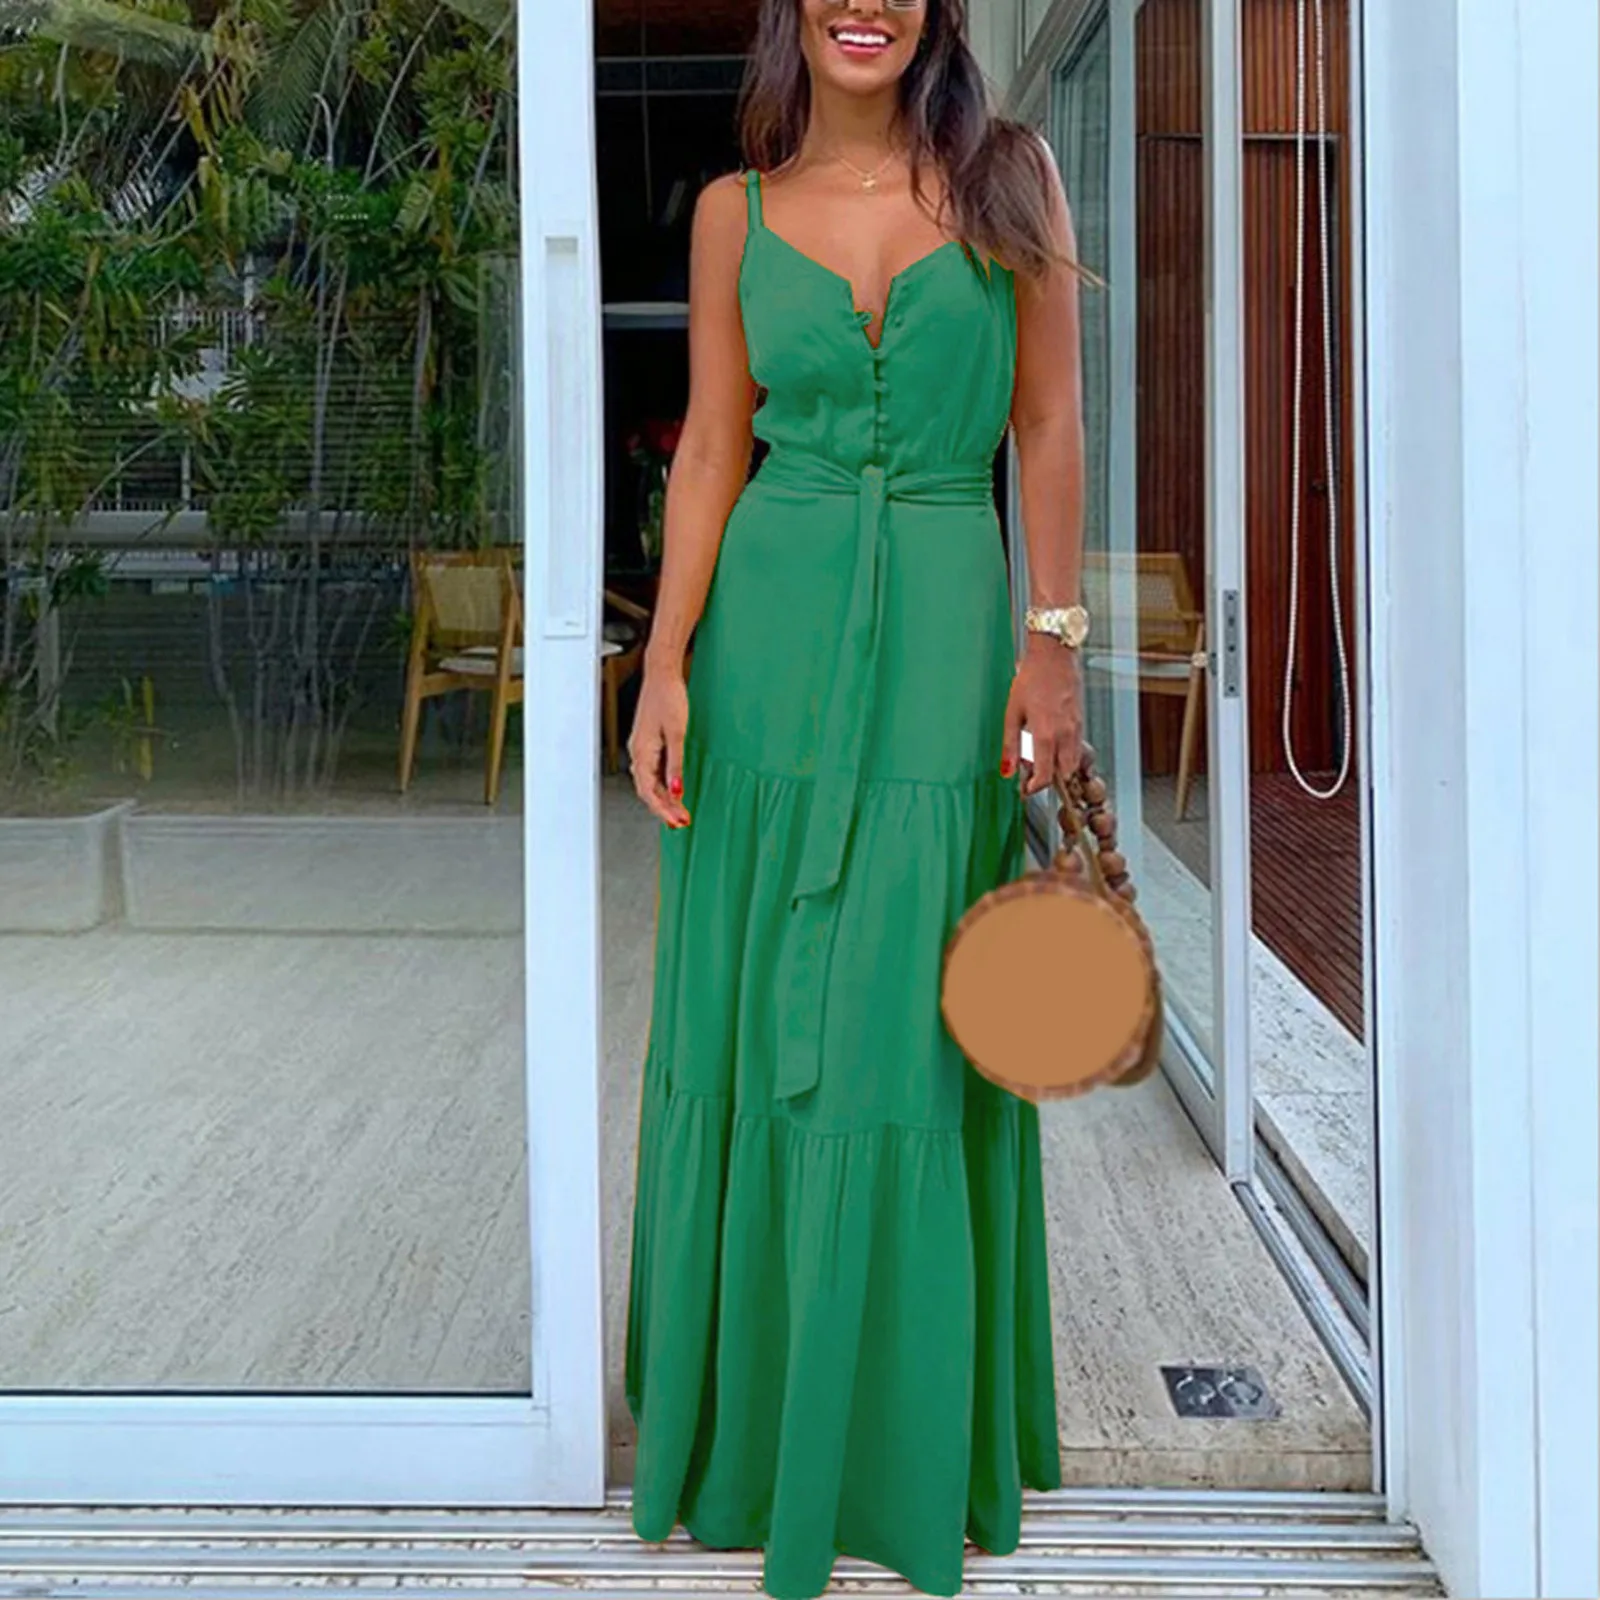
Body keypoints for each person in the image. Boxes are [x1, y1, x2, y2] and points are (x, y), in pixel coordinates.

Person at [622, 0, 1088, 1594]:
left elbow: (1047, 421)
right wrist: (665, 663)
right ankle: (761, 1422)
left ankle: (894, 1439)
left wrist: (1054, 650)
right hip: (770, 643)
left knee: (905, 1012)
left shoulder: (1013, 178)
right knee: (767, 1006)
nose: (862, 5)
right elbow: (711, 453)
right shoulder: (732, 215)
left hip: (947, 638)